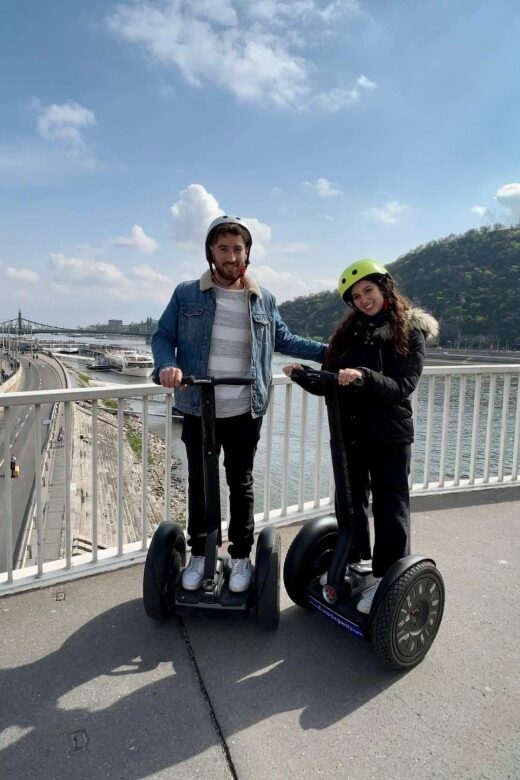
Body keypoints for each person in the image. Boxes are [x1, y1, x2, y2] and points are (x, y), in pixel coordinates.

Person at [152, 215, 327, 593]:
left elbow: (285, 339)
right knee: (200, 482)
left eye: (238, 249)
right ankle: (200, 553)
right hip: (200, 406)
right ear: (211, 253)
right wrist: (167, 364)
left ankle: (241, 556)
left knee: (240, 482)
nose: (231, 256)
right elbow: (163, 335)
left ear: (247, 253)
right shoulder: (187, 293)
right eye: (223, 249)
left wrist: (331, 353)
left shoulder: (262, 298)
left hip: (246, 407)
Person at [284, 259, 438, 613]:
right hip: (350, 434)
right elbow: (330, 381)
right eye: (356, 295)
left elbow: (403, 385)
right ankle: (355, 564)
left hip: (390, 436)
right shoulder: (348, 335)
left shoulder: (409, 333)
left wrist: (365, 377)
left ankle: (387, 578)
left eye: (368, 290)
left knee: (390, 507)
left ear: (384, 288)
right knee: (351, 503)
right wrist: (303, 376)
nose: (364, 299)